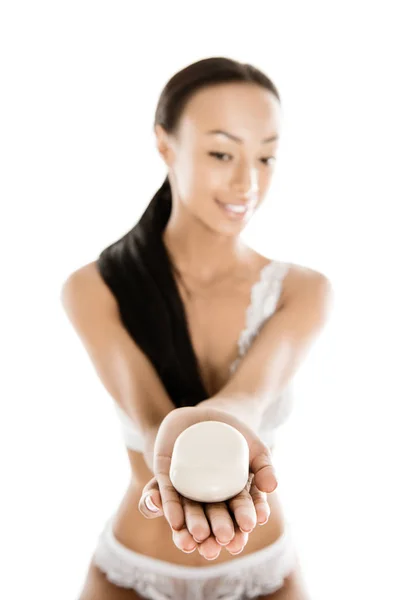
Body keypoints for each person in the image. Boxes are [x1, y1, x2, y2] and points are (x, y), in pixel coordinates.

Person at [61, 56, 332, 600]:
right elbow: (148, 415)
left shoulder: (303, 290)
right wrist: (181, 428)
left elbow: (250, 397)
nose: (248, 181)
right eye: (221, 152)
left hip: (262, 569)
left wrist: (219, 420)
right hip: (133, 570)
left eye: (267, 156)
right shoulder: (95, 286)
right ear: (164, 145)